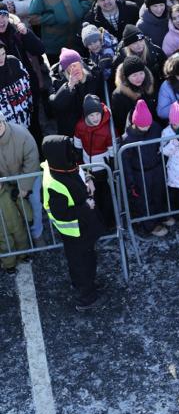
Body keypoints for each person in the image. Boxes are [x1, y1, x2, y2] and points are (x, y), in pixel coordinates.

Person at [41, 132, 103, 309]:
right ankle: (86, 298)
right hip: (74, 231)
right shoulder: (54, 183)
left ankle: (87, 286)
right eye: (68, 149)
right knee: (81, 263)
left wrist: (89, 178)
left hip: (82, 228)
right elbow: (61, 213)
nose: (72, 152)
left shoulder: (61, 165)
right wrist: (86, 206)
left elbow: (79, 172)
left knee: (86, 260)